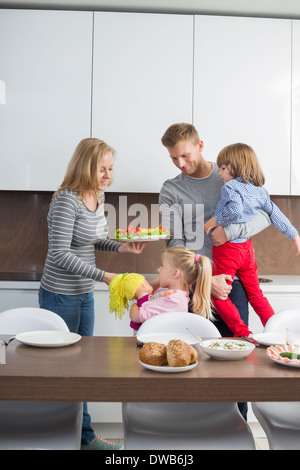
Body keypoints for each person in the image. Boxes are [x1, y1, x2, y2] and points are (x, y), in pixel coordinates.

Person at [39, 137, 147, 451]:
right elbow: (59, 254)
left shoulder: (98, 196)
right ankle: (63, 435)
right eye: (101, 169)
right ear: (85, 166)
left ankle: (83, 436)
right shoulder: (66, 200)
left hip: (84, 294)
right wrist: (106, 276)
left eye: (111, 169)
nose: (107, 175)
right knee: (60, 370)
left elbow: (92, 241)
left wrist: (121, 246)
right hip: (59, 295)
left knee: (81, 369)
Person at [159, 123, 270, 420]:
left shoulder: (227, 176)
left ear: (200, 145)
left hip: (232, 282)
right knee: (196, 360)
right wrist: (205, 279)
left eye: (185, 155)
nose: (181, 164)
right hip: (196, 284)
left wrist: (231, 231)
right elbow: (175, 244)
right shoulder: (171, 189)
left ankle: (237, 428)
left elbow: (263, 215)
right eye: (173, 158)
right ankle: (199, 429)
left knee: (236, 360)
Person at [204, 142, 300, 337]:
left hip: (228, 250)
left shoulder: (230, 187)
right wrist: (294, 235)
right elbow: (275, 214)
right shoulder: (260, 190)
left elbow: (236, 210)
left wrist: (217, 220)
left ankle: (243, 333)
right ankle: (278, 332)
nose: (219, 173)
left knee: (218, 296)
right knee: (256, 296)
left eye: (223, 168)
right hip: (246, 250)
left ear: (236, 166)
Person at [129, 247, 213, 327]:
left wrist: (134, 306)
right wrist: (159, 281)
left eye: (162, 266)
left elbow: (136, 316)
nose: (159, 270)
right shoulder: (176, 296)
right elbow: (149, 296)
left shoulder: (173, 300)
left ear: (175, 273)